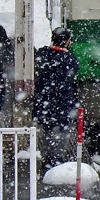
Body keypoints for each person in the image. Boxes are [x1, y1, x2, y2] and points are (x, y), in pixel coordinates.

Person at [32, 27, 81, 175]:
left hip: (44, 100)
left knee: (46, 130)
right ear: (66, 42)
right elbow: (73, 72)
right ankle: (57, 160)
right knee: (62, 130)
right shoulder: (69, 59)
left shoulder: (42, 54)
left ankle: (47, 160)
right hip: (63, 101)